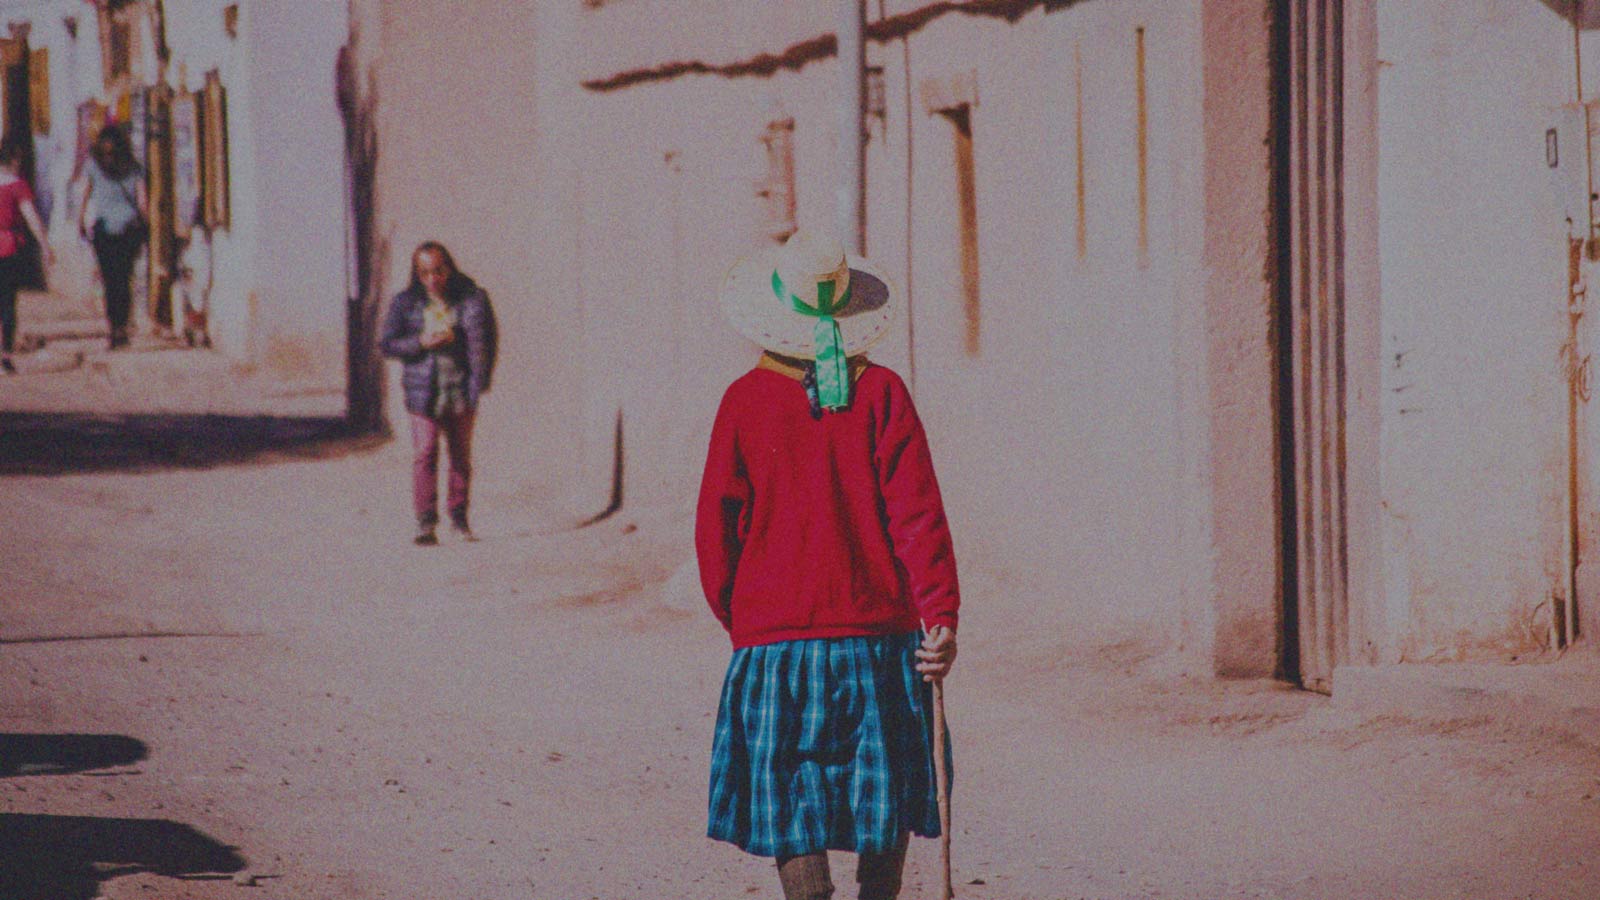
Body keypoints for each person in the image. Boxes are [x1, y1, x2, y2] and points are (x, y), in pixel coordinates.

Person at [697, 229, 960, 900]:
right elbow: (919, 514)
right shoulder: (883, 393)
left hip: (776, 642)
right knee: (884, 784)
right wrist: (939, 615)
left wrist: (746, 617)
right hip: (878, 637)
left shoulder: (742, 400)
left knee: (790, 790)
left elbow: (715, 534)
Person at [379, 241, 498, 545]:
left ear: (449, 268)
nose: (433, 278)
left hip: (459, 387)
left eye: (438, 271)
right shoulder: (405, 303)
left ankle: (459, 519)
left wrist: (479, 382)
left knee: (460, 455)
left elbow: (487, 341)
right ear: (417, 274)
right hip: (423, 391)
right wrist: (420, 342)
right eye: (425, 272)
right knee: (426, 451)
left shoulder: (471, 299)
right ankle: (426, 522)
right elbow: (387, 344)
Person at [77, 125, 147, 350]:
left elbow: (84, 195)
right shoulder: (134, 168)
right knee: (124, 279)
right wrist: (145, 226)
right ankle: (122, 328)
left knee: (109, 281)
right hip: (128, 230)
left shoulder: (93, 166)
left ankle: (113, 328)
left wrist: (80, 221)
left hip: (104, 231)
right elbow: (142, 201)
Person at [0, 143, 51, 374]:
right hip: (9, 248)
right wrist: (45, 245)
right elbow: (31, 217)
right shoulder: (17, 186)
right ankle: (5, 355)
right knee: (8, 303)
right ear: (13, 160)